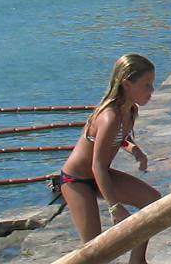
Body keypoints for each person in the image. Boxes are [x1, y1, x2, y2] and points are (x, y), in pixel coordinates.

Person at [57, 54, 161, 264]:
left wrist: (134, 149)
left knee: (153, 201)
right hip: (77, 181)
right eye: (147, 85)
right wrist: (115, 207)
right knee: (95, 251)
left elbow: (119, 137)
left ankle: (137, 261)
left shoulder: (130, 110)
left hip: (99, 174)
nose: (152, 90)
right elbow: (97, 165)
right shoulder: (109, 116)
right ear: (126, 84)